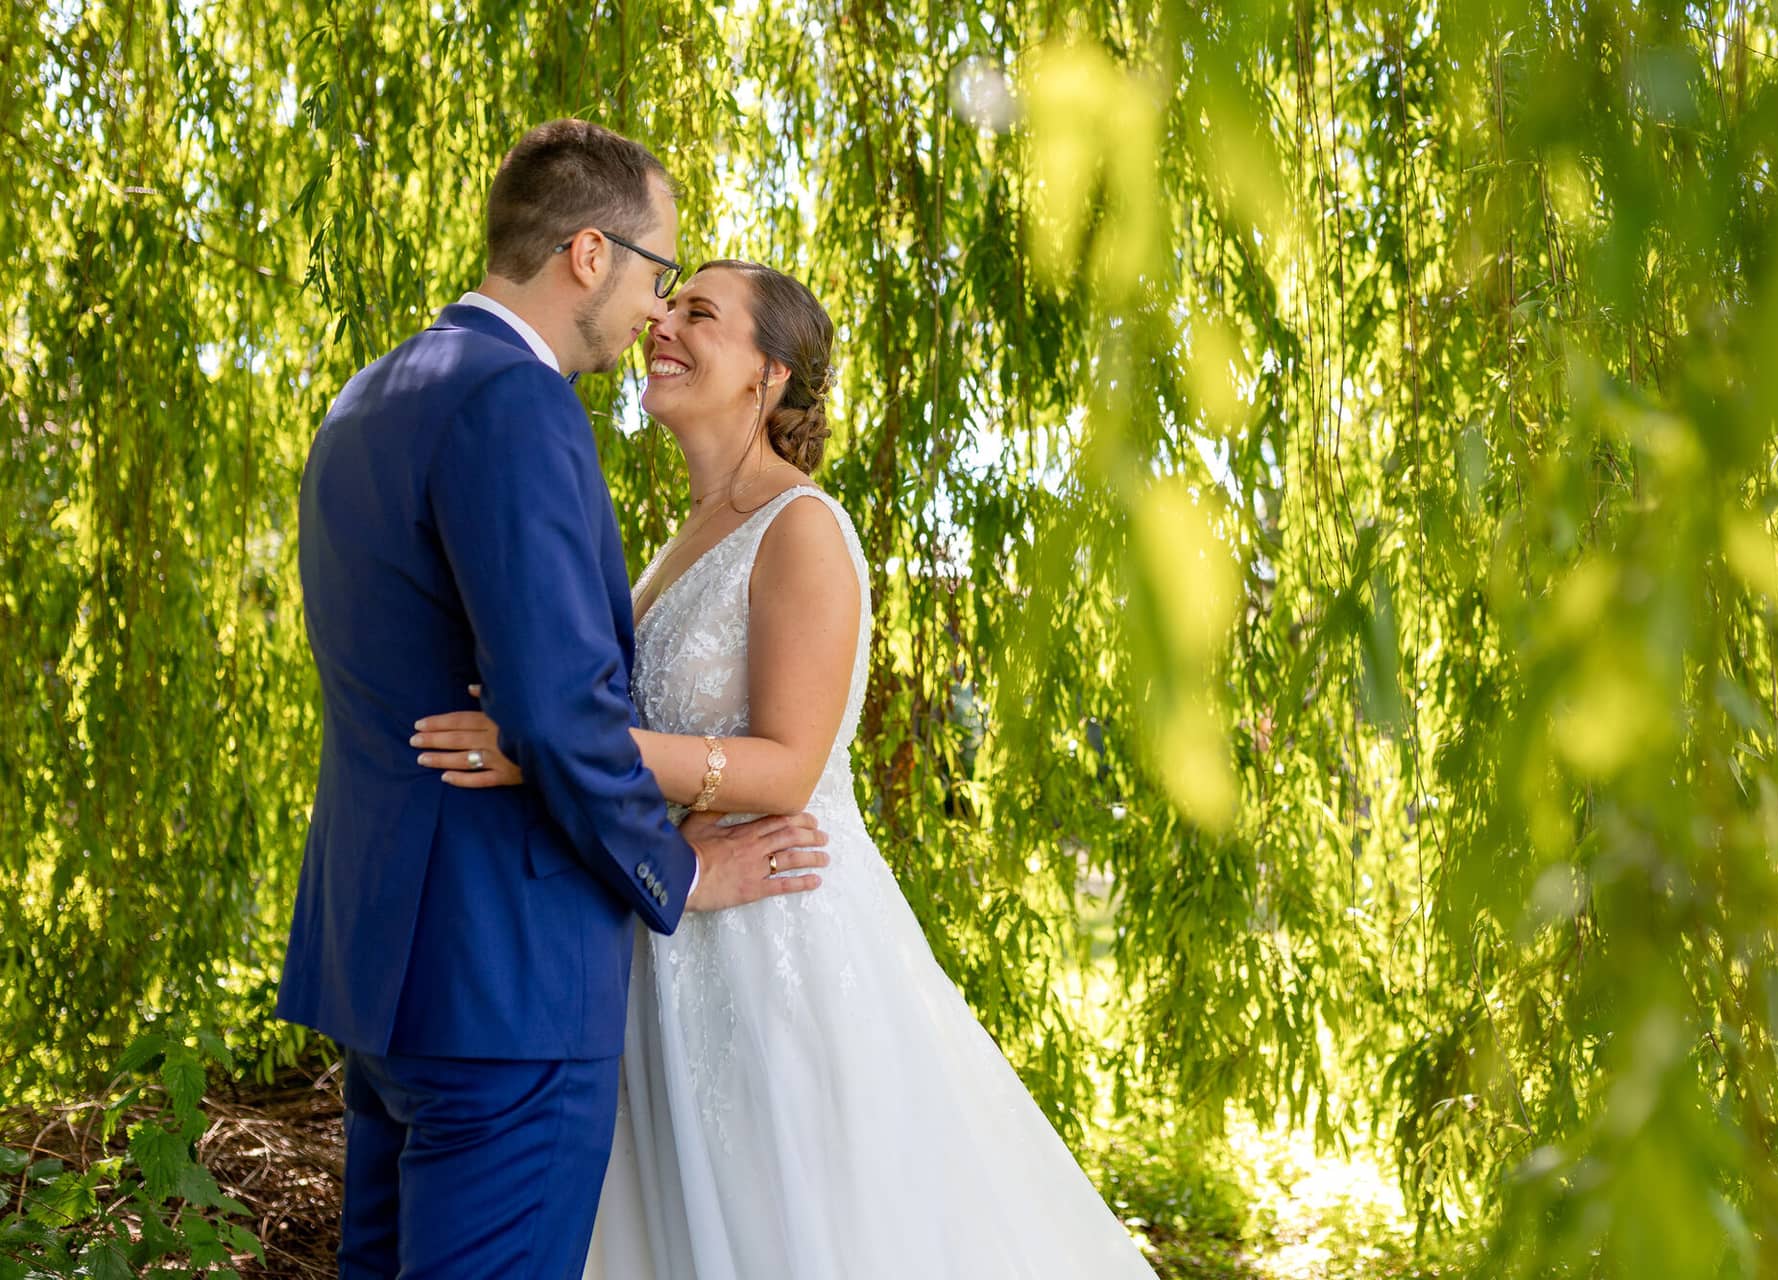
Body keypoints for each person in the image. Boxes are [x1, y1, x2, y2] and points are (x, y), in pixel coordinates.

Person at [411, 258, 1159, 1276]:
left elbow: (788, 768)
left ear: (769, 374)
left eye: (698, 313)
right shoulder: (683, 535)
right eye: (666, 305)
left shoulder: (803, 527)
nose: (661, 324)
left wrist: (546, 748)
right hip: (673, 925)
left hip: (778, 933)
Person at [277, 121, 830, 1280]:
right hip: (506, 981)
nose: (655, 313)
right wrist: (676, 870)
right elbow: (551, 706)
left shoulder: (368, 397)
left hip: (385, 964)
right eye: (658, 273)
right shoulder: (516, 404)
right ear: (590, 253)